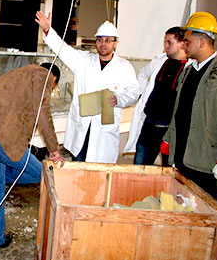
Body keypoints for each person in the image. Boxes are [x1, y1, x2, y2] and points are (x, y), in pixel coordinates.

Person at [0, 63, 64, 254]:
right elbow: (43, 112)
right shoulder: (42, 77)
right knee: (42, 175)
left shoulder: (17, 74)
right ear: (53, 79)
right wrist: (54, 149)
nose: (51, 88)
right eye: (53, 85)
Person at [161, 12, 217, 200]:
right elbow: (179, 111)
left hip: (205, 159)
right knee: (179, 204)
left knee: (204, 210)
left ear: (202, 41)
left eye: (187, 40)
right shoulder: (188, 71)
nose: (184, 44)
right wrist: (169, 138)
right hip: (181, 155)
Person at [35, 11, 139, 163]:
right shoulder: (83, 60)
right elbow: (63, 49)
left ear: (115, 43)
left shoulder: (124, 66)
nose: (103, 44)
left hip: (105, 130)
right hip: (82, 127)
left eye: (108, 40)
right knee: (78, 165)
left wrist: (118, 99)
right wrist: (47, 30)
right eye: (100, 40)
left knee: (100, 172)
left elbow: (134, 91)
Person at [124, 27, 189, 165]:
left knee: (169, 168)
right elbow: (142, 74)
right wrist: (140, 96)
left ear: (182, 43)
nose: (165, 46)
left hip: (169, 129)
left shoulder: (189, 68)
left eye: (169, 42)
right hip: (149, 123)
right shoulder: (161, 61)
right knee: (140, 166)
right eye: (165, 42)